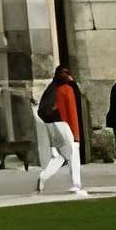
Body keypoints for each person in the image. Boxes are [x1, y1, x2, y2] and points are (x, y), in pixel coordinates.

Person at [33, 61, 88, 197]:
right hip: (66, 126)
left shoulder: (51, 88)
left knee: (61, 156)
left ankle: (43, 176)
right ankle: (76, 185)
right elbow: (71, 113)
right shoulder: (67, 89)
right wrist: (75, 134)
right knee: (73, 155)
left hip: (53, 126)